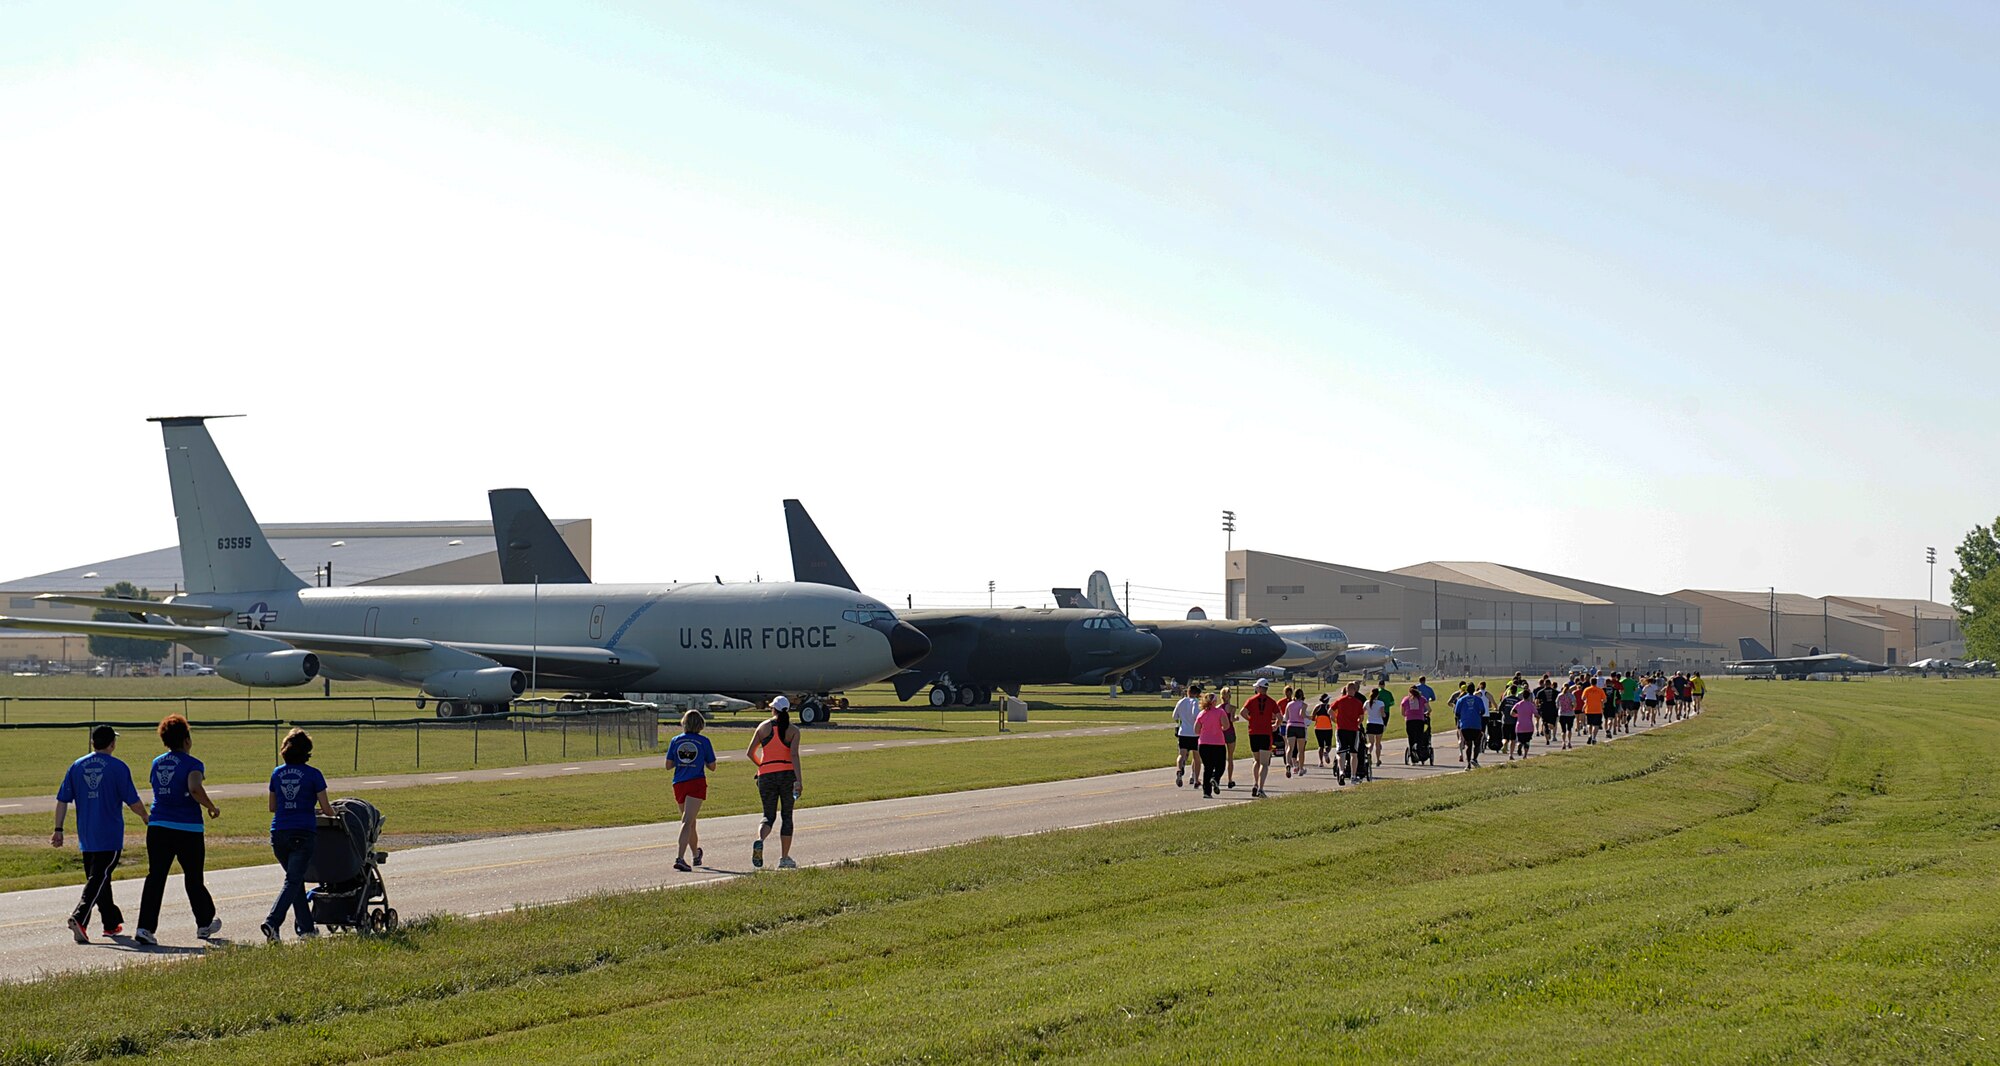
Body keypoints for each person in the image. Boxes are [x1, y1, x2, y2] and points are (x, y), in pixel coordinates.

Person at [52, 724, 149, 943]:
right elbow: (132, 800)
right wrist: (145, 817)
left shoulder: (76, 766)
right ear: (112, 744)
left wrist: (58, 829)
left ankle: (111, 923)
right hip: (109, 835)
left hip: (86, 836)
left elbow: (62, 800)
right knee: (98, 879)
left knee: (99, 879)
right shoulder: (118, 767)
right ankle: (80, 917)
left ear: (93, 742)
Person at [136, 714, 223, 946]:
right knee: (193, 877)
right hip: (187, 827)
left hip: (158, 826)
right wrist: (211, 807)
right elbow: (194, 787)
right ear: (187, 740)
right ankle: (204, 922)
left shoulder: (157, 762)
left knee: (156, 877)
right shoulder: (193, 764)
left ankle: (145, 927)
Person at [261, 728, 336, 943]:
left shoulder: (277, 773)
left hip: (279, 833)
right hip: (302, 833)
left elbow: (273, 806)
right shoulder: (314, 774)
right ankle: (272, 922)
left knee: (295, 882)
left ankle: (307, 929)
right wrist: (333, 813)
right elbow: (325, 807)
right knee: (293, 881)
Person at [746, 697, 803, 869]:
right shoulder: (793, 731)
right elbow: (794, 755)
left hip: (766, 776)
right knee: (787, 815)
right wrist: (799, 780)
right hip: (787, 775)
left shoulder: (763, 728)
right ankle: (784, 857)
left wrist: (763, 765)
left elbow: (750, 752)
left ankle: (760, 839)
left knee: (768, 815)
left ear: (773, 709)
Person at [668, 710, 717, 871]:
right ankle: (680, 857)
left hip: (679, 782)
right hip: (695, 782)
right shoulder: (703, 741)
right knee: (687, 821)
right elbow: (712, 766)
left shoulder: (675, 741)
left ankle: (696, 854)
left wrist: (682, 761)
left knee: (691, 822)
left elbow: (668, 765)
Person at [1240, 679, 1279, 797]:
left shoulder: (1251, 700)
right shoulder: (1272, 702)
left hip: (1253, 732)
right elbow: (1279, 716)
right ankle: (1261, 788)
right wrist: (1276, 725)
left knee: (1256, 760)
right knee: (1264, 763)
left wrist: (1251, 720)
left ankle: (1255, 783)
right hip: (1265, 733)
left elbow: (1242, 712)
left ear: (1259, 688)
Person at [1194, 692, 1229, 798]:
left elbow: (1196, 730)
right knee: (1220, 765)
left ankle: (1207, 792)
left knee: (1207, 767)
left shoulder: (1202, 714)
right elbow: (1226, 726)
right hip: (1218, 742)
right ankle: (1215, 778)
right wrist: (1219, 729)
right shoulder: (1220, 712)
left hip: (1204, 743)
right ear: (1214, 702)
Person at [1331, 683, 1366, 784]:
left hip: (1341, 729)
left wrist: (1335, 720)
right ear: (1354, 690)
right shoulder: (1358, 702)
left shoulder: (1340, 700)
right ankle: (1353, 776)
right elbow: (1361, 717)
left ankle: (1341, 771)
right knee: (1353, 753)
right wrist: (1358, 723)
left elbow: (1330, 710)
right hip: (1353, 730)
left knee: (1341, 751)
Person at [1171, 684, 1202, 789]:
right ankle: (1196, 779)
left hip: (1183, 732)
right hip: (1194, 733)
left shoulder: (1181, 702)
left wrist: (1182, 719)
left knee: (1181, 754)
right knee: (1196, 757)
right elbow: (1196, 714)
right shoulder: (1195, 702)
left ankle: (1179, 770)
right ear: (1196, 694)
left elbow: (1174, 716)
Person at [1453, 685, 1486, 768]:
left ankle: (1468, 764)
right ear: (1474, 690)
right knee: (1477, 743)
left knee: (1468, 744)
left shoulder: (1461, 700)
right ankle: (1474, 759)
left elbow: (1457, 713)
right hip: (1476, 724)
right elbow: (1483, 711)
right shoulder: (1478, 699)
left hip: (1465, 725)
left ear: (1467, 690)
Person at [1282, 687, 1309, 778]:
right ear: (1302, 696)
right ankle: (1301, 768)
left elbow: (1286, 717)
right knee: (1301, 750)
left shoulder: (1289, 704)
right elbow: (1302, 715)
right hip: (1300, 726)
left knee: (1290, 747)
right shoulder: (1303, 705)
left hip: (1291, 726)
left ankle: (1288, 764)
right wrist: (1309, 717)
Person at [1216, 687, 1239, 789]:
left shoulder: (1218, 708)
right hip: (1230, 732)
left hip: (1221, 732)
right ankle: (1230, 779)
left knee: (1219, 757)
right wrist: (1236, 719)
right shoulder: (1232, 708)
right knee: (1230, 757)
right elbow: (1231, 719)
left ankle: (1217, 778)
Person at [1364, 684, 1392, 765]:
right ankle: (1378, 759)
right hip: (1378, 723)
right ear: (1378, 695)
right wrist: (1384, 715)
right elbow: (1383, 714)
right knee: (1378, 743)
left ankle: (1369, 753)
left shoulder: (1367, 702)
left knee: (1371, 742)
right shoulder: (1381, 703)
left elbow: (1363, 712)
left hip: (1370, 723)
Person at [1400, 684, 1431, 755]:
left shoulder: (1405, 699)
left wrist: (1407, 715)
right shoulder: (1422, 699)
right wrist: (1426, 713)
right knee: (1419, 736)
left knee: (1411, 737)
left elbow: (1402, 713)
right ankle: (1419, 751)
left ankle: (1412, 752)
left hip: (1409, 720)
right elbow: (1429, 709)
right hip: (1419, 719)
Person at [1581, 677, 1607, 745]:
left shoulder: (1587, 689)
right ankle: (1594, 737)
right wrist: (1601, 702)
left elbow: (1583, 698)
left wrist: (1586, 701)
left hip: (1589, 709)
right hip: (1598, 709)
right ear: (1596, 682)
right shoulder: (1600, 690)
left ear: (1590, 682)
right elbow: (1604, 700)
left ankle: (1590, 735)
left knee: (1589, 724)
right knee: (1596, 725)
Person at [1512, 687, 1537, 759]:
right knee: (1527, 741)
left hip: (1519, 726)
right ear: (1529, 696)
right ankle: (1525, 755)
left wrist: (1517, 715)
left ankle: (1519, 745)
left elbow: (1511, 712)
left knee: (1520, 740)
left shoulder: (1518, 704)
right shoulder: (1531, 705)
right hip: (1529, 726)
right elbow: (1536, 714)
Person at [1311, 694, 1334, 768]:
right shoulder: (1329, 707)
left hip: (1318, 728)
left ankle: (1321, 762)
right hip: (1328, 728)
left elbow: (1312, 717)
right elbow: (1332, 716)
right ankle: (1326, 752)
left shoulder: (1317, 707)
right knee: (1329, 745)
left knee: (1320, 746)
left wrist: (1318, 719)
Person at [1555, 680, 1578, 750]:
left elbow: (1557, 705)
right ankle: (1569, 742)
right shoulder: (1571, 695)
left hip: (1562, 714)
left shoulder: (1560, 695)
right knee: (1569, 729)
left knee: (1563, 730)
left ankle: (1563, 742)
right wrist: (1572, 707)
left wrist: (1560, 708)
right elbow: (1575, 704)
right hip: (1570, 714)